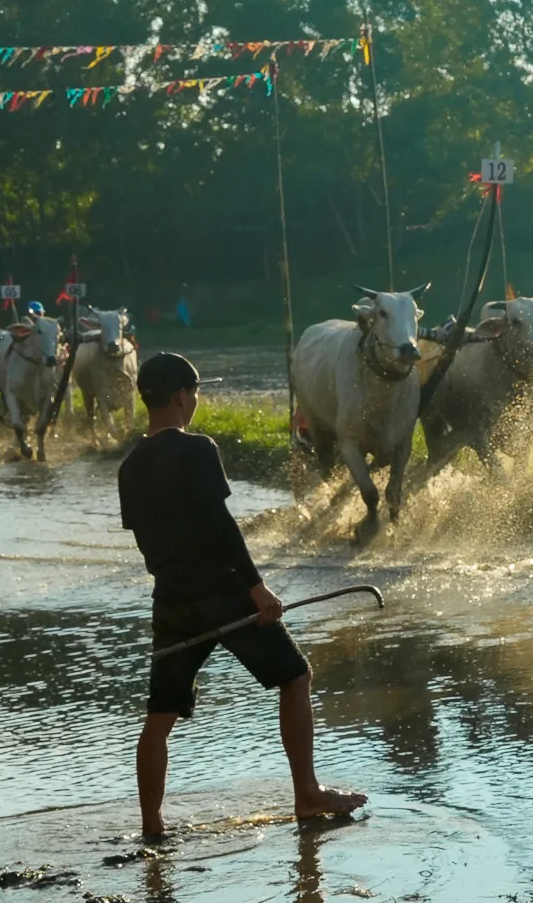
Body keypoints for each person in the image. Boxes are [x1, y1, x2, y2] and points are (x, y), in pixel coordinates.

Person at [118, 352, 364, 839]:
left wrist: (175, 584)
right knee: (296, 676)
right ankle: (307, 795)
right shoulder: (198, 450)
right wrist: (256, 588)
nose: (194, 401)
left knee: (160, 717)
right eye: (195, 392)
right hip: (221, 592)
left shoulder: (130, 466)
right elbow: (220, 527)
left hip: (170, 600)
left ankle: (151, 826)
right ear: (181, 396)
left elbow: (146, 540)